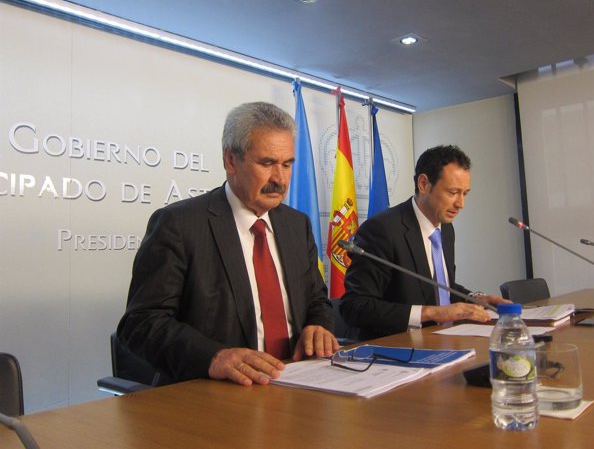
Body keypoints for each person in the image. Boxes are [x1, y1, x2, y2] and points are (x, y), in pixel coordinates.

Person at [117, 102, 338, 386]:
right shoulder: (179, 224)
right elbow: (140, 324)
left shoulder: (297, 224)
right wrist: (214, 356)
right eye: (267, 163)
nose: (280, 179)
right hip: (213, 396)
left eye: (287, 164)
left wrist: (318, 326)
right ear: (231, 161)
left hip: (295, 384)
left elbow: (317, 300)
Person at [340, 144, 508, 340]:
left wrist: (477, 299)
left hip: (444, 341)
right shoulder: (382, 230)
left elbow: (440, 288)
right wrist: (431, 313)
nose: (460, 204)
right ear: (423, 183)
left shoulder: (445, 229)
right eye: (453, 192)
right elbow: (355, 306)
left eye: (465, 193)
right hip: (396, 350)